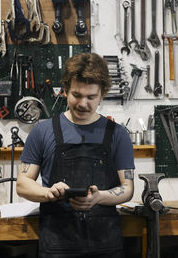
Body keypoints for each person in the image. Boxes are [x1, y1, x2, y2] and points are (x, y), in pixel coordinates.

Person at [17, 52, 135, 257]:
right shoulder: (42, 131)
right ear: (65, 90)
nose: (83, 104)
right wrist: (48, 193)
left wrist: (99, 197)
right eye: (76, 95)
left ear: (103, 94)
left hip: (105, 244)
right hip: (57, 244)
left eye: (91, 97)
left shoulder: (118, 134)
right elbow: (22, 183)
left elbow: (127, 188)